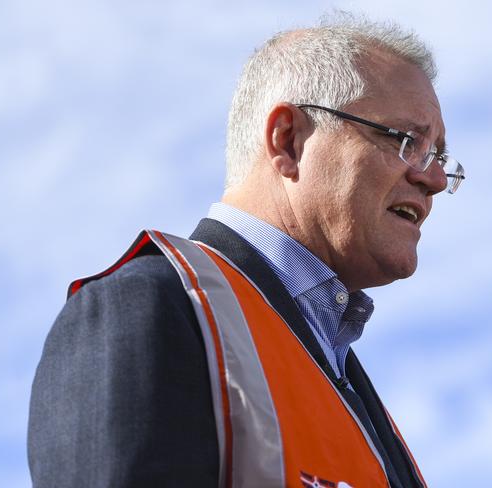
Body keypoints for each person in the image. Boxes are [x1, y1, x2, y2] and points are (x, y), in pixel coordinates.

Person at [28, 14, 465, 488]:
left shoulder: (355, 395)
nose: (435, 179)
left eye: (438, 156)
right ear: (289, 140)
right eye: (405, 141)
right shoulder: (152, 309)